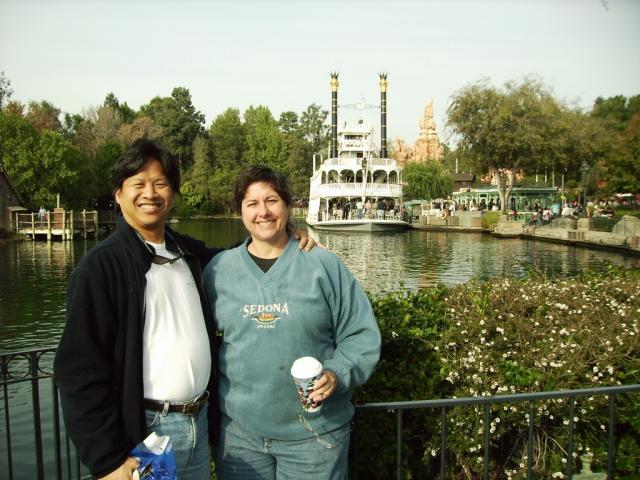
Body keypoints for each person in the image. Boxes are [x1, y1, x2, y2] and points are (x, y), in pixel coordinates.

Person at [54, 139, 314, 480]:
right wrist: (106, 460)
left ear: (173, 193)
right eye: (138, 184)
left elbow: (238, 258)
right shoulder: (101, 267)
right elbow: (79, 371)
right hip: (147, 432)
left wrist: (283, 234)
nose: (150, 193)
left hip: (199, 422)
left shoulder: (185, 252)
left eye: (160, 183)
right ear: (118, 194)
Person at [203, 165, 381, 480]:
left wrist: (337, 373)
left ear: (288, 205)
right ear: (240, 211)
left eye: (271, 200)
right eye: (251, 203)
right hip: (240, 439)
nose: (263, 212)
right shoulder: (218, 271)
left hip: (315, 437)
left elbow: (360, 334)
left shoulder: (322, 265)